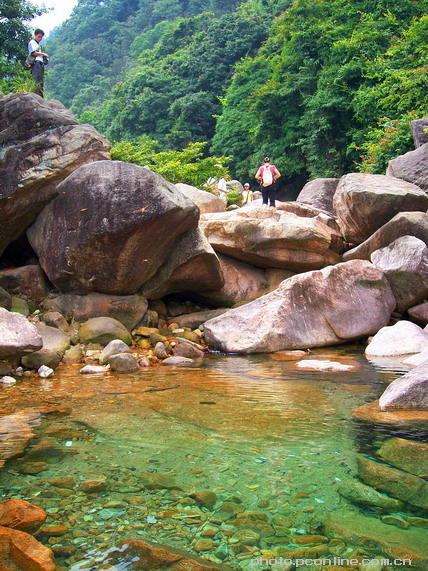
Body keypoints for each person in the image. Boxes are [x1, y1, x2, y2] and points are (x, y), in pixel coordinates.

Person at [28, 29, 49, 98]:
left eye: (41, 37)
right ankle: (36, 95)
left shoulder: (37, 44)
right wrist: (43, 54)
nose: (40, 38)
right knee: (37, 80)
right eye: (38, 36)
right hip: (36, 63)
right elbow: (33, 52)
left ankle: (40, 96)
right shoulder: (32, 42)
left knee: (41, 80)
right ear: (35, 35)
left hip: (40, 64)